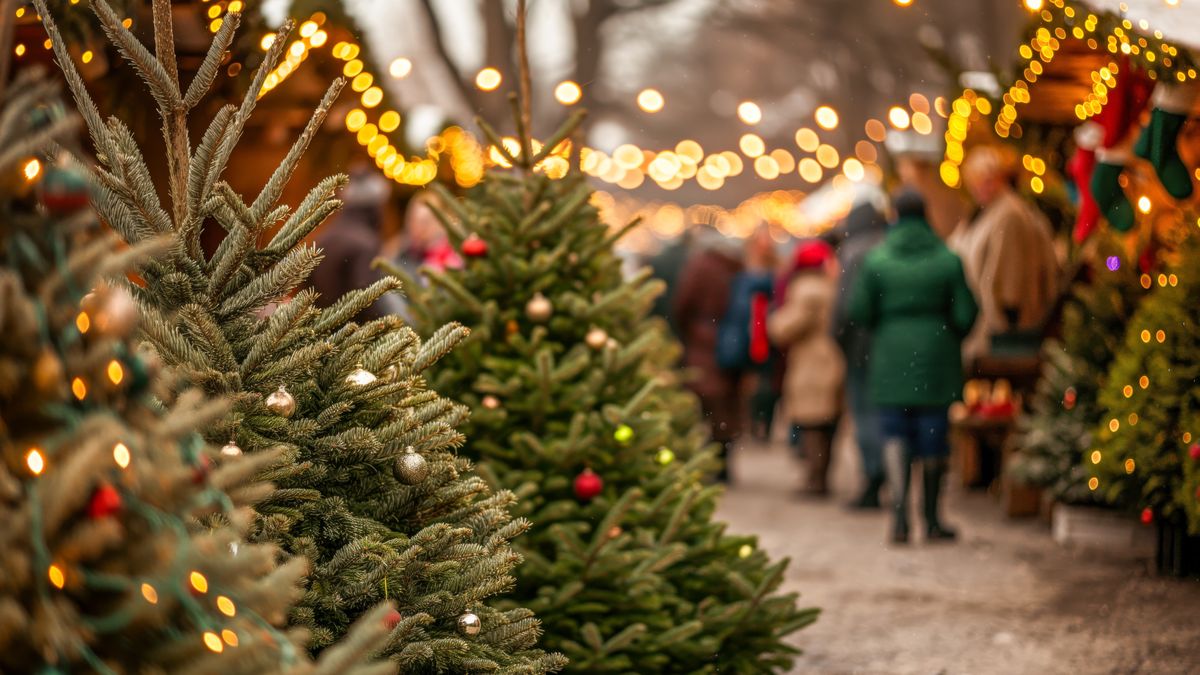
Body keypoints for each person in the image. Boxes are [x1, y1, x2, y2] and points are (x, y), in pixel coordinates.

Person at [849, 189, 978, 544]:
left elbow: (860, 311)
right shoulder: (948, 259)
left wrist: (889, 326)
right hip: (937, 358)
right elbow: (967, 313)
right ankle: (933, 519)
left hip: (891, 356)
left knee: (895, 432)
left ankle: (900, 517)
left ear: (894, 214)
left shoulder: (877, 261)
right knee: (934, 433)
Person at [950, 146, 1059, 365]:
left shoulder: (1009, 214)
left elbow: (1011, 275)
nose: (979, 187)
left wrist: (1006, 321)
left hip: (999, 331)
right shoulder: (984, 212)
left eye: (987, 179)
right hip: (984, 324)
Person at [768, 240, 845, 497]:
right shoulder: (833, 286)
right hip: (833, 357)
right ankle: (822, 475)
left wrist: (772, 323)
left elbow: (788, 326)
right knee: (827, 422)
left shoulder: (806, 289)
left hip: (812, 363)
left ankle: (815, 478)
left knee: (812, 422)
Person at [831, 200, 889, 508]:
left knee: (865, 410)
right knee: (884, 410)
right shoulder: (887, 246)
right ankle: (888, 471)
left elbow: (845, 307)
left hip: (860, 345)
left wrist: (839, 338)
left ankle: (873, 473)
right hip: (887, 346)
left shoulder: (853, 252)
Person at [675, 225, 745, 482]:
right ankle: (724, 461)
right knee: (729, 404)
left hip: (703, 341)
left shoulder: (701, 265)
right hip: (734, 343)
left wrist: (689, 332)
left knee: (705, 404)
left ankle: (706, 463)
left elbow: (683, 303)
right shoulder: (738, 264)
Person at [716, 226, 780, 440]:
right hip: (746, 333)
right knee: (748, 384)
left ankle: (763, 425)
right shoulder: (740, 270)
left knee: (765, 383)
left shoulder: (774, 272)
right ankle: (751, 424)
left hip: (764, 332)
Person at [310, 164, 397, 321]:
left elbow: (308, 289)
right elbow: (367, 298)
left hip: (320, 331)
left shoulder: (325, 236)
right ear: (375, 207)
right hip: (352, 335)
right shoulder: (366, 244)